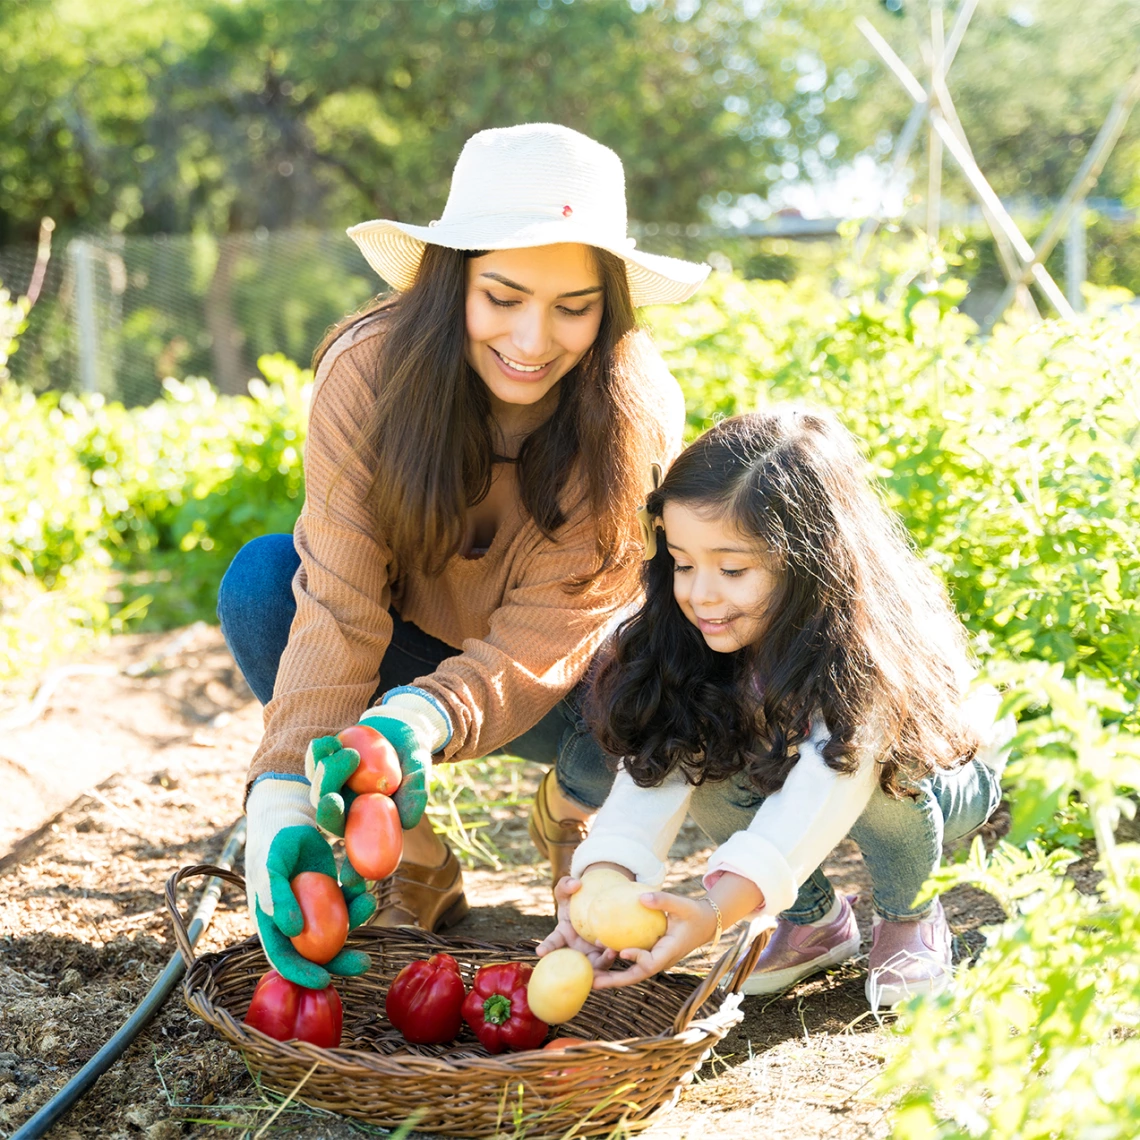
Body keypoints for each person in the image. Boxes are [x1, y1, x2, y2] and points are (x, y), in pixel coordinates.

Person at [217, 122, 709, 988]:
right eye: (504, 295)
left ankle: (575, 805)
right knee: (263, 585)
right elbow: (338, 598)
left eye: (573, 307)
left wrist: (420, 719)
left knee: (663, 645)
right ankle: (406, 848)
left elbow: (560, 622)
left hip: (559, 681)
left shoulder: (633, 412)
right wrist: (284, 791)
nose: (532, 339)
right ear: (454, 281)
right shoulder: (367, 374)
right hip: (403, 640)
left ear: (610, 305)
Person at [538, 409, 1011, 1008]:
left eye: (732, 568)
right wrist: (606, 878)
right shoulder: (690, 636)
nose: (700, 592)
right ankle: (815, 921)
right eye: (683, 563)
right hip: (793, 763)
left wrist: (714, 912)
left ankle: (909, 914)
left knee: (886, 778)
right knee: (707, 761)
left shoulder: (862, 652)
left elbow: (830, 781)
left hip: (935, 781)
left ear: (809, 561)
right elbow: (658, 768)